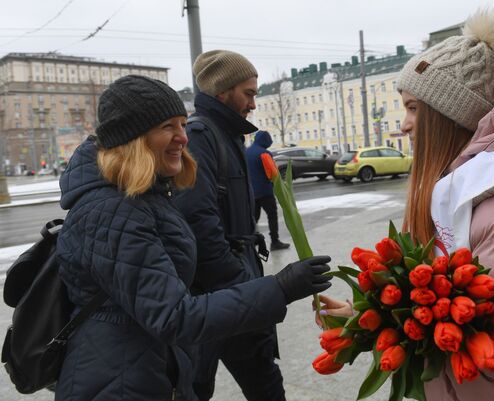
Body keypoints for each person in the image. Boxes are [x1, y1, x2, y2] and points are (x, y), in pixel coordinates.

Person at [318, 5, 494, 401]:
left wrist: (413, 370)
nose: (404, 124)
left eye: (413, 108)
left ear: (449, 116)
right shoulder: (474, 190)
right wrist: (367, 321)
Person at [55, 74, 332, 401]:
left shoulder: (141, 196)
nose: (182, 137)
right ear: (134, 138)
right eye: (168, 127)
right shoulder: (111, 210)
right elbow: (173, 316)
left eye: (182, 125)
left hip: (147, 370)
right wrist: (280, 287)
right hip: (118, 383)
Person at [173, 50, 294, 401]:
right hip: (214, 294)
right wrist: (242, 284)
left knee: (265, 381)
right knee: (194, 387)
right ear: (223, 92)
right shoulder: (200, 135)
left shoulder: (227, 136)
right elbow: (197, 220)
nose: (254, 103)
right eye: (249, 93)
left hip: (235, 285)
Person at [246, 130, 290, 251]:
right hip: (265, 191)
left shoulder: (246, 152)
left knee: (253, 217)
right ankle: (275, 242)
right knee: (272, 216)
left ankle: (250, 243)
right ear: (265, 140)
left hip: (251, 192)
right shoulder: (264, 153)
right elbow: (273, 174)